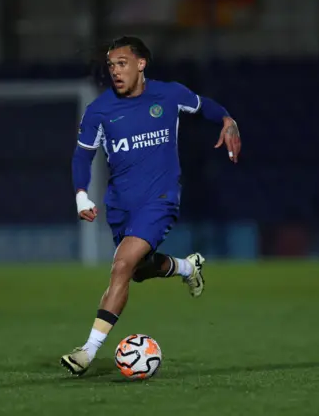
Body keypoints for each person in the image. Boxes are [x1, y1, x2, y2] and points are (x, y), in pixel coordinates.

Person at [61, 36, 241, 376]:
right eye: (111, 65)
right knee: (138, 270)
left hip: (160, 198)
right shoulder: (99, 110)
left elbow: (206, 106)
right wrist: (81, 193)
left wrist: (227, 120)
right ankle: (187, 268)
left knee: (121, 266)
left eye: (123, 63)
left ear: (141, 64)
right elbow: (82, 155)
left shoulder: (169, 94)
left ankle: (87, 351)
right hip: (119, 205)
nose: (115, 71)